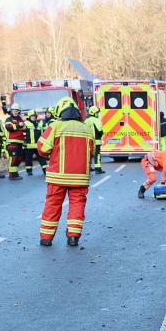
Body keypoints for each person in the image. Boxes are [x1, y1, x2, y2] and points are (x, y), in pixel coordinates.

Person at [37, 97, 95, 247]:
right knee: (77, 205)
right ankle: (73, 237)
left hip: (58, 176)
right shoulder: (87, 129)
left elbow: (42, 148)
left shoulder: (56, 126)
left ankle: (46, 238)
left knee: (53, 205)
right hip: (80, 177)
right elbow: (92, 152)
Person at [3, 103, 25, 180]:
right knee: (13, 158)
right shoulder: (9, 119)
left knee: (19, 158)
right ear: (11, 111)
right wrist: (19, 125)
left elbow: (24, 128)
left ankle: (15, 173)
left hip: (20, 142)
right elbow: (8, 127)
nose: (16, 111)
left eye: (17, 110)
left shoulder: (20, 119)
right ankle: (12, 175)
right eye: (14, 110)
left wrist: (24, 127)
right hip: (12, 142)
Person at [23, 109, 46, 175]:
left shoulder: (39, 124)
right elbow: (22, 133)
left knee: (42, 158)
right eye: (32, 116)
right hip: (28, 145)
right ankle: (29, 171)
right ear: (29, 117)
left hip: (37, 145)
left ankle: (45, 170)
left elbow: (43, 133)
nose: (33, 117)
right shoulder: (25, 124)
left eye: (34, 116)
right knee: (28, 159)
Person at [84, 106, 104, 174]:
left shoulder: (86, 120)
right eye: (97, 113)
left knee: (88, 154)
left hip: (88, 140)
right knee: (97, 154)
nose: (98, 114)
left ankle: (88, 168)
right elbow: (100, 131)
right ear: (94, 113)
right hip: (96, 140)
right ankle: (98, 169)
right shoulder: (97, 120)